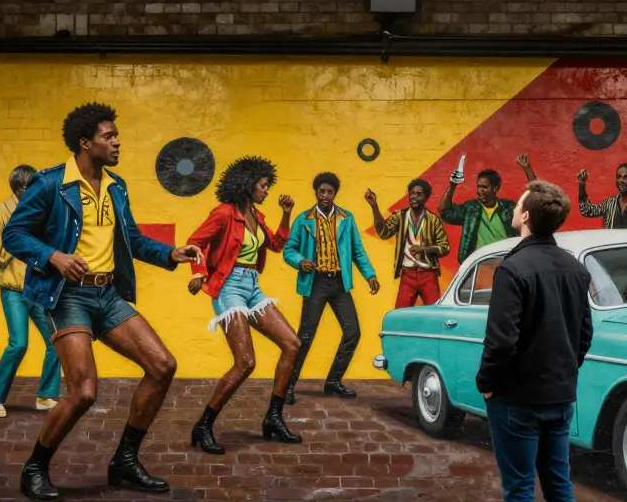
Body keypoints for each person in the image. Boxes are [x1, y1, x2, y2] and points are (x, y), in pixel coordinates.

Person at [1, 102, 202, 502]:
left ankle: (125, 461)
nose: (117, 142)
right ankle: (35, 467)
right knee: (84, 392)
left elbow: (131, 239)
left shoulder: (116, 186)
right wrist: (53, 256)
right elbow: (14, 235)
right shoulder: (50, 184)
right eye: (109, 136)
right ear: (85, 142)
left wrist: (171, 254)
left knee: (162, 366)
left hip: (107, 294)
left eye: (115, 135)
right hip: (67, 295)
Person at [475, 180, 591, 502]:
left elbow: (501, 341)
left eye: (519, 203)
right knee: (560, 489)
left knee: (520, 490)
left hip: (516, 397)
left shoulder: (512, 269)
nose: (515, 206)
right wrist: (563, 372)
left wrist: (487, 381)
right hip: (560, 396)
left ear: (525, 216)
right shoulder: (575, 268)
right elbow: (584, 335)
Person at [185, 156, 303, 454]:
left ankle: (273, 418)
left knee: (292, 344)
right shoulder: (224, 213)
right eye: (263, 185)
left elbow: (275, 245)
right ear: (248, 184)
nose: (266, 190)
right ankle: (204, 424)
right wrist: (199, 273)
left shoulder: (257, 214)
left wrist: (286, 215)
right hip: (229, 288)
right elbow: (195, 242)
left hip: (252, 286)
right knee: (246, 362)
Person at [282, 172, 379, 404]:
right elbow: (289, 250)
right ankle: (286, 386)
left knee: (353, 332)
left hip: (339, 283)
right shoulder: (304, 219)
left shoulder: (347, 218)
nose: (325, 195)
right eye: (321, 191)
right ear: (315, 192)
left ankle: (333, 381)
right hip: (315, 283)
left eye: (330, 191)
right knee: (305, 336)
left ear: (335, 193)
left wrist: (370, 274)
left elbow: (357, 250)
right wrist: (300, 261)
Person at [0, 165, 62, 417]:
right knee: (18, 344)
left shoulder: (41, 211)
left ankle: (46, 395)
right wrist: (18, 238)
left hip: (38, 287)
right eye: (34, 187)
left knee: (57, 341)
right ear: (21, 189)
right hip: (13, 290)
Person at [364, 178, 451, 308]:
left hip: (428, 274)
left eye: (418, 194)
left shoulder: (433, 220)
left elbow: (445, 247)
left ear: (426, 198)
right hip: (407, 275)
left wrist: (424, 249)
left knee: (434, 314)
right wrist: (374, 206)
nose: (414, 197)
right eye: (412, 193)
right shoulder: (400, 216)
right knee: (399, 315)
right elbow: (383, 232)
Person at [438, 154, 538, 263]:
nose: (480, 190)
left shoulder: (508, 208)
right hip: (478, 265)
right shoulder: (471, 208)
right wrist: (452, 185)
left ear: (495, 188)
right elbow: (445, 211)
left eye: (484, 187)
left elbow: (533, 201)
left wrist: (528, 169)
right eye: (479, 186)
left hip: (506, 263)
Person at [576, 163, 627, 229]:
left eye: (626, 177)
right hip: (612, 248)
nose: (621, 181)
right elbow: (586, 211)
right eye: (619, 177)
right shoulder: (609, 203)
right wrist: (582, 184)